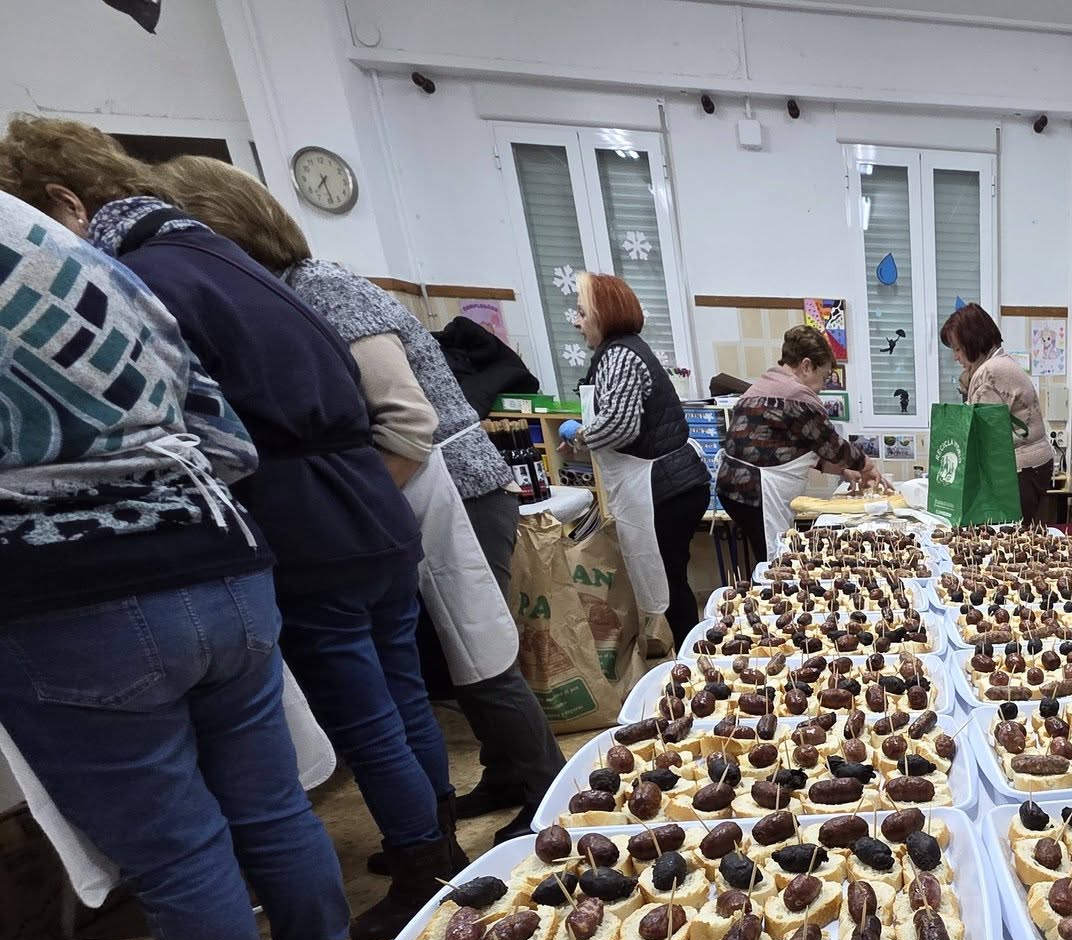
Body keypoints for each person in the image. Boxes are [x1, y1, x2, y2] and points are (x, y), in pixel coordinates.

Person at [0, 116, 458, 940]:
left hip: (305, 520)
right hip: (367, 506)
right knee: (399, 693)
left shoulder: (139, 276)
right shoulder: (232, 262)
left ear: (65, 203)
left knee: (366, 717)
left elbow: (221, 434)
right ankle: (433, 839)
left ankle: (425, 859)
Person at [0, 189, 355, 940]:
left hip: (67, 593)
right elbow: (222, 433)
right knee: (273, 804)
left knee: (176, 844)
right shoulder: (78, 255)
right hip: (217, 558)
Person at [158, 156, 565, 845]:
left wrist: (350, 507)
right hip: (416, 492)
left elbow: (407, 422)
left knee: (479, 650)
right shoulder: (285, 292)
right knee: (451, 657)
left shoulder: (323, 288)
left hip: (456, 487)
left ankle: (546, 788)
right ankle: (505, 773)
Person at [571, 272, 708, 647]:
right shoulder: (619, 352)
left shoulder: (621, 356)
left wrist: (581, 435)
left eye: (582, 313)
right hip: (667, 484)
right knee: (671, 577)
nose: (576, 322)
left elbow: (620, 427)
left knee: (669, 581)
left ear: (604, 314)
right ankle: (682, 653)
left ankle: (686, 660)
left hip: (665, 488)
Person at [717, 324, 889, 566]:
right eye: (825, 376)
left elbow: (792, 448)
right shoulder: (796, 395)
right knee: (775, 563)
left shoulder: (763, 385)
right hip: (756, 492)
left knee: (770, 556)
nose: (824, 386)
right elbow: (832, 446)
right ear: (807, 366)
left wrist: (842, 470)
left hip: (733, 490)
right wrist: (867, 466)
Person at [940, 301, 1055, 523]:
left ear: (973, 341)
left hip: (1021, 468)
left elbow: (980, 438)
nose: (955, 357)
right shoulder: (1002, 362)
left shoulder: (988, 373)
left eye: (957, 349)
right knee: (1018, 533)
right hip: (1035, 464)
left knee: (1005, 537)